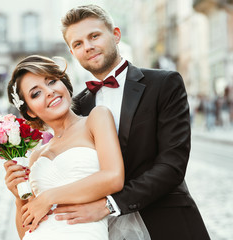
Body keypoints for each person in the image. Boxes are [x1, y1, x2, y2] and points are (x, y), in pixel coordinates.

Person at [50, 4, 210, 240]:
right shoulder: (77, 106)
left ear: (116, 35)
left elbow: (172, 165)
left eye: (94, 36)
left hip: (166, 221)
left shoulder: (165, 83)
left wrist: (109, 205)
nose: (88, 47)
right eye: (78, 43)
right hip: (103, 230)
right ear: (73, 53)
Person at [4, 55, 151, 239]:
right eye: (36, 93)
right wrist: (20, 198)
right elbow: (27, 231)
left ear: (64, 83)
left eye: (52, 81)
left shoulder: (96, 119)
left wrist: (49, 197)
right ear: (30, 111)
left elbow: (113, 178)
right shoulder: (36, 156)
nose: (49, 92)